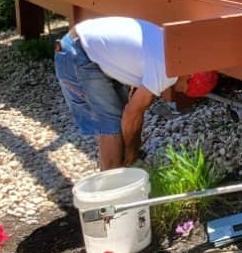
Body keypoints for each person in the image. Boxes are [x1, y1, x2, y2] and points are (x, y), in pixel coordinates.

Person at [53, 16, 217, 170]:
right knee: (111, 125)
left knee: (117, 123)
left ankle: (119, 175)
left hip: (85, 44)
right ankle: (112, 193)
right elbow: (132, 114)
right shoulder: (167, 71)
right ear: (189, 77)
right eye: (185, 89)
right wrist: (131, 152)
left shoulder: (176, 49)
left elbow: (134, 110)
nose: (180, 91)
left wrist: (133, 148)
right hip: (78, 53)